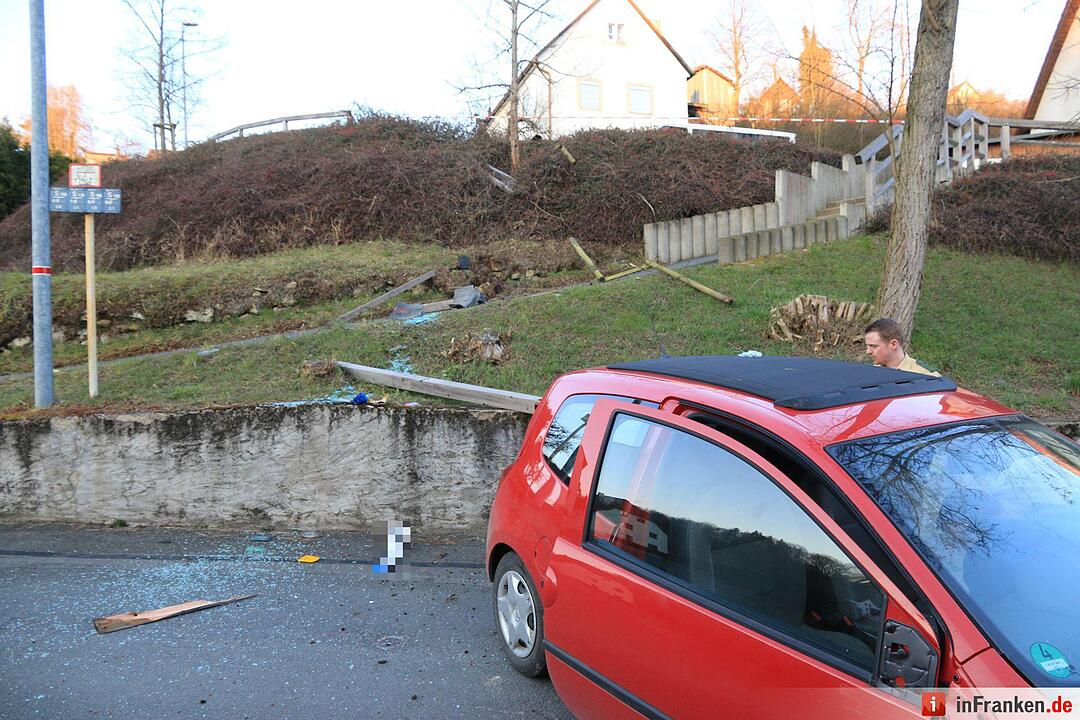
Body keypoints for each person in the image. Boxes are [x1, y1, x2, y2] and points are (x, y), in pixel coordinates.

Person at [863, 318, 940, 377]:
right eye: (868, 346)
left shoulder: (925, 376)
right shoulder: (868, 374)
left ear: (893, 344)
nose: (868, 351)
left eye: (873, 346)